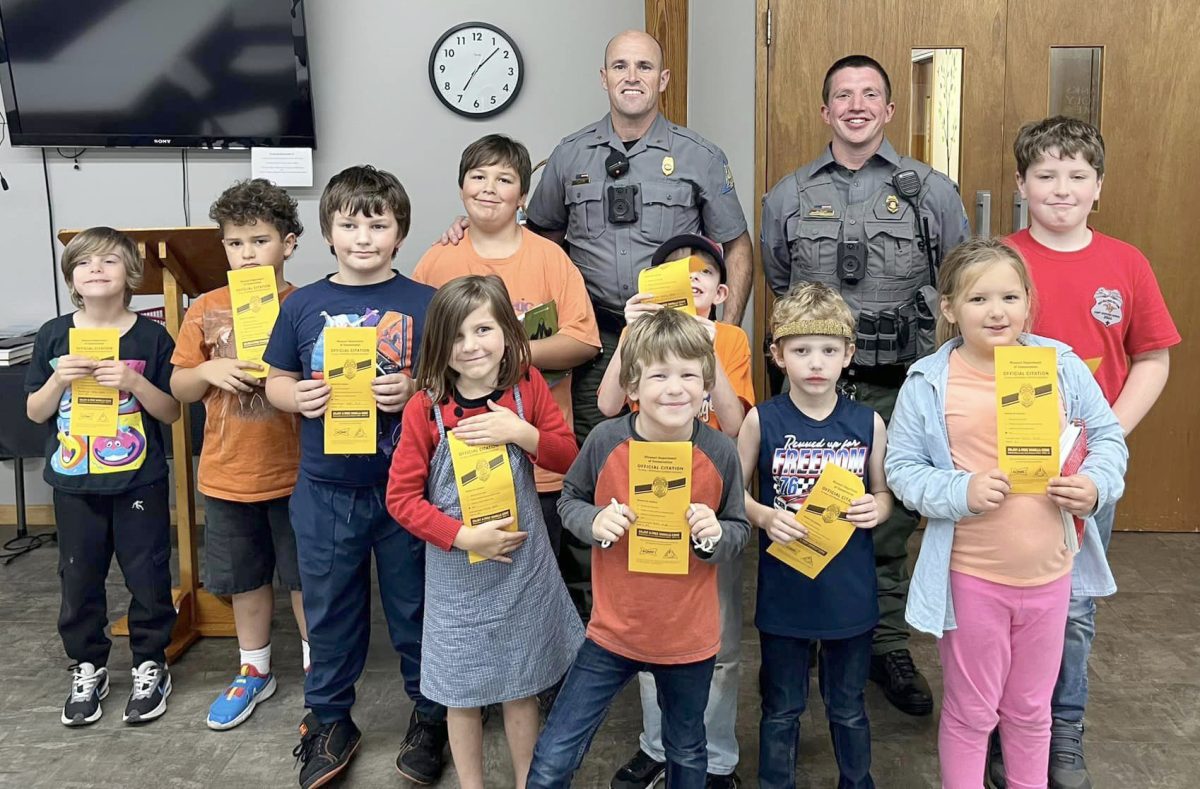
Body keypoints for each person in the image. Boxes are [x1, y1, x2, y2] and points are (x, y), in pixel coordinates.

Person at [442, 29, 751, 626]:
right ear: (603, 76)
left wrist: (719, 332)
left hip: (671, 340)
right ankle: (591, 617)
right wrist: (474, 224)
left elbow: (737, 246)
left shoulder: (699, 156)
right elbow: (533, 234)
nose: (631, 76)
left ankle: (672, 601)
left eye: (644, 67)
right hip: (595, 342)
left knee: (676, 463)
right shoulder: (570, 155)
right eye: (619, 66)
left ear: (663, 80)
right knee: (590, 467)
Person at [760, 54, 971, 715]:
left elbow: (956, 277)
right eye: (843, 95)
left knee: (884, 519)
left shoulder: (928, 190)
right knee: (799, 510)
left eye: (870, 94)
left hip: (896, 385)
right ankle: (806, 638)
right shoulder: (788, 194)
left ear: (889, 110)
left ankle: (883, 643)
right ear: (825, 111)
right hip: (812, 389)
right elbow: (776, 276)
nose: (856, 104)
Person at [885, 238, 1127, 788]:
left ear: (1027, 302)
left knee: (1031, 712)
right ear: (949, 309)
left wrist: (1094, 485)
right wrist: (959, 490)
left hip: (1049, 576)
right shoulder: (928, 381)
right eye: (978, 300)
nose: (997, 312)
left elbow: (1109, 437)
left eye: (1010, 297)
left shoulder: (1058, 366)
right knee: (972, 714)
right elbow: (901, 468)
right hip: (972, 578)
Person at [993, 116, 1181, 789]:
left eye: (1077, 176)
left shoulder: (1126, 263)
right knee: (1001, 603)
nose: (1061, 189)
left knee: (1070, 607)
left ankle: (1062, 734)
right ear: (1021, 184)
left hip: (1084, 476)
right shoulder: (1000, 261)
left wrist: (1106, 439)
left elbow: (1152, 359)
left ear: (1098, 186)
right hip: (1003, 468)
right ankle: (1003, 729)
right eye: (1045, 175)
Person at [262, 166, 447, 789]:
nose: (363, 236)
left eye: (378, 224)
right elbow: (275, 378)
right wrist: (298, 398)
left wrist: (415, 386)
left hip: (407, 486)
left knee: (415, 605)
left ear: (400, 234)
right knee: (330, 606)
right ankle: (330, 719)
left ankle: (431, 713)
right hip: (325, 487)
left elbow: (454, 383)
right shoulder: (302, 305)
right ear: (327, 232)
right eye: (349, 224)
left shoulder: (425, 303)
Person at [527, 308, 751, 789]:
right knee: (554, 754)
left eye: (690, 374)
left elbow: (738, 529)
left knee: (688, 751)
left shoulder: (719, 452)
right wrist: (594, 521)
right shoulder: (606, 441)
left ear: (707, 384)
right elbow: (569, 500)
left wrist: (714, 535)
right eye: (659, 375)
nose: (676, 388)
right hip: (612, 633)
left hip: (688, 638)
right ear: (632, 387)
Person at [385, 275, 585, 789]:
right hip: (457, 576)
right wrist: (462, 537)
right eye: (456, 336)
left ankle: (528, 780)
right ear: (438, 345)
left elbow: (568, 459)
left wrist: (521, 432)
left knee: (522, 687)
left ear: (507, 332)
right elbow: (402, 500)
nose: (471, 346)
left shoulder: (527, 389)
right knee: (462, 693)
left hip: (522, 568)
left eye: (483, 329)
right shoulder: (423, 409)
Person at [598, 234, 754, 788]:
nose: (689, 277)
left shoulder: (730, 337)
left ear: (720, 290)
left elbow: (734, 425)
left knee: (720, 637)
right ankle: (658, 746)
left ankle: (715, 757)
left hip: (710, 499)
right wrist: (627, 331)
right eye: (674, 270)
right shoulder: (642, 335)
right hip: (646, 495)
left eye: (702, 272)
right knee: (651, 630)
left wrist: (708, 349)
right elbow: (609, 405)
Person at [412, 134, 600, 558]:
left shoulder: (550, 258)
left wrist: (510, 353)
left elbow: (583, 340)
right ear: (461, 188)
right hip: (457, 462)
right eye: (478, 176)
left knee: (539, 582)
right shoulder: (438, 260)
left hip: (539, 467)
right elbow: (420, 353)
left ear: (523, 196)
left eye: (504, 179)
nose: (489, 188)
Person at [25, 227, 180, 726]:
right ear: (71, 275)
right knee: (79, 575)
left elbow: (172, 412)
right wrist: (58, 378)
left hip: (139, 481)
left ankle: (150, 662)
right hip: (73, 484)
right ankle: (88, 662)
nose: (96, 269)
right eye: (84, 262)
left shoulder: (151, 336)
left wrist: (134, 380)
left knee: (148, 574)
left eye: (109, 261)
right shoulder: (54, 334)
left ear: (130, 273)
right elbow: (33, 411)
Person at [738, 283, 890, 789]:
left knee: (848, 707)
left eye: (828, 350)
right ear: (778, 355)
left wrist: (877, 506)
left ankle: (857, 781)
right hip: (786, 592)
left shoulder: (867, 421)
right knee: (782, 707)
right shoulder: (762, 419)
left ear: (848, 354)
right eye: (801, 350)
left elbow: (885, 493)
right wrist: (761, 515)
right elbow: (733, 497)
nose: (815, 362)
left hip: (848, 593)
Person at [170, 179, 309, 731]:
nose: (247, 253)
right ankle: (254, 670)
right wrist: (205, 371)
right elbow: (179, 386)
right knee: (246, 580)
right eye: (235, 243)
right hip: (228, 475)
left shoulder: (306, 303)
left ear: (289, 243)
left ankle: (316, 667)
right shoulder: (205, 308)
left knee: (305, 578)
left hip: (298, 473)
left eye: (259, 240)